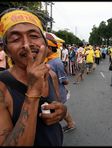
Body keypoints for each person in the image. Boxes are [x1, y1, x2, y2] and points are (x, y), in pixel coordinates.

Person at [0, 8, 67, 146]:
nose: (27, 45)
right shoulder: (2, 87)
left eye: (34, 36)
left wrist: (62, 111)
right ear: (6, 50)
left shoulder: (51, 75)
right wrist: (33, 91)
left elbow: (58, 106)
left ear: (45, 43)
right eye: (15, 39)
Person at [45, 34, 76, 133]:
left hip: (57, 92)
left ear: (49, 48)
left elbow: (64, 81)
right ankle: (70, 124)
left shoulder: (56, 62)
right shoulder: (48, 60)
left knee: (59, 111)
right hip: (51, 92)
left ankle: (70, 124)